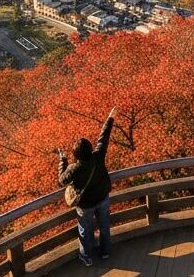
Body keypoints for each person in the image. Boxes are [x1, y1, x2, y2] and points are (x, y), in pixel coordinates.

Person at [59, 107, 116, 267]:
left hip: (85, 205)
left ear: (75, 155)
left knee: (85, 230)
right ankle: (105, 251)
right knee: (104, 225)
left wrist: (63, 161)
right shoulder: (98, 156)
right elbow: (103, 138)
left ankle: (87, 256)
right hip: (102, 198)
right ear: (91, 149)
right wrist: (110, 118)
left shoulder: (73, 169)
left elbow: (62, 181)